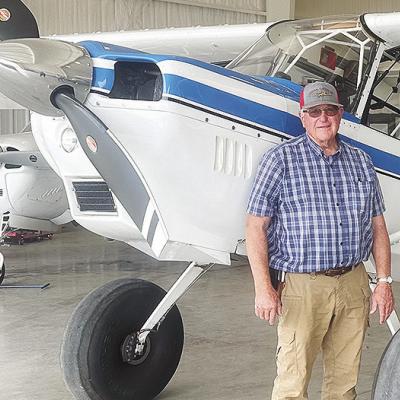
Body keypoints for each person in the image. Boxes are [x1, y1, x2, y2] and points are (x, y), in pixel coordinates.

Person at [245, 81, 395, 400]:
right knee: (292, 383)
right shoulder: (279, 160)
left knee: (344, 385)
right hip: (302, 286)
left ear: (340, 114)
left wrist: (383, 282)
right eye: (315, 111)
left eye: (330, 110)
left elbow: (377, 225)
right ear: (303, 117)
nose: (323, 118)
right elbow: (255, 226)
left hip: (353, 283)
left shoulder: (361, 162)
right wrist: (263, 289)